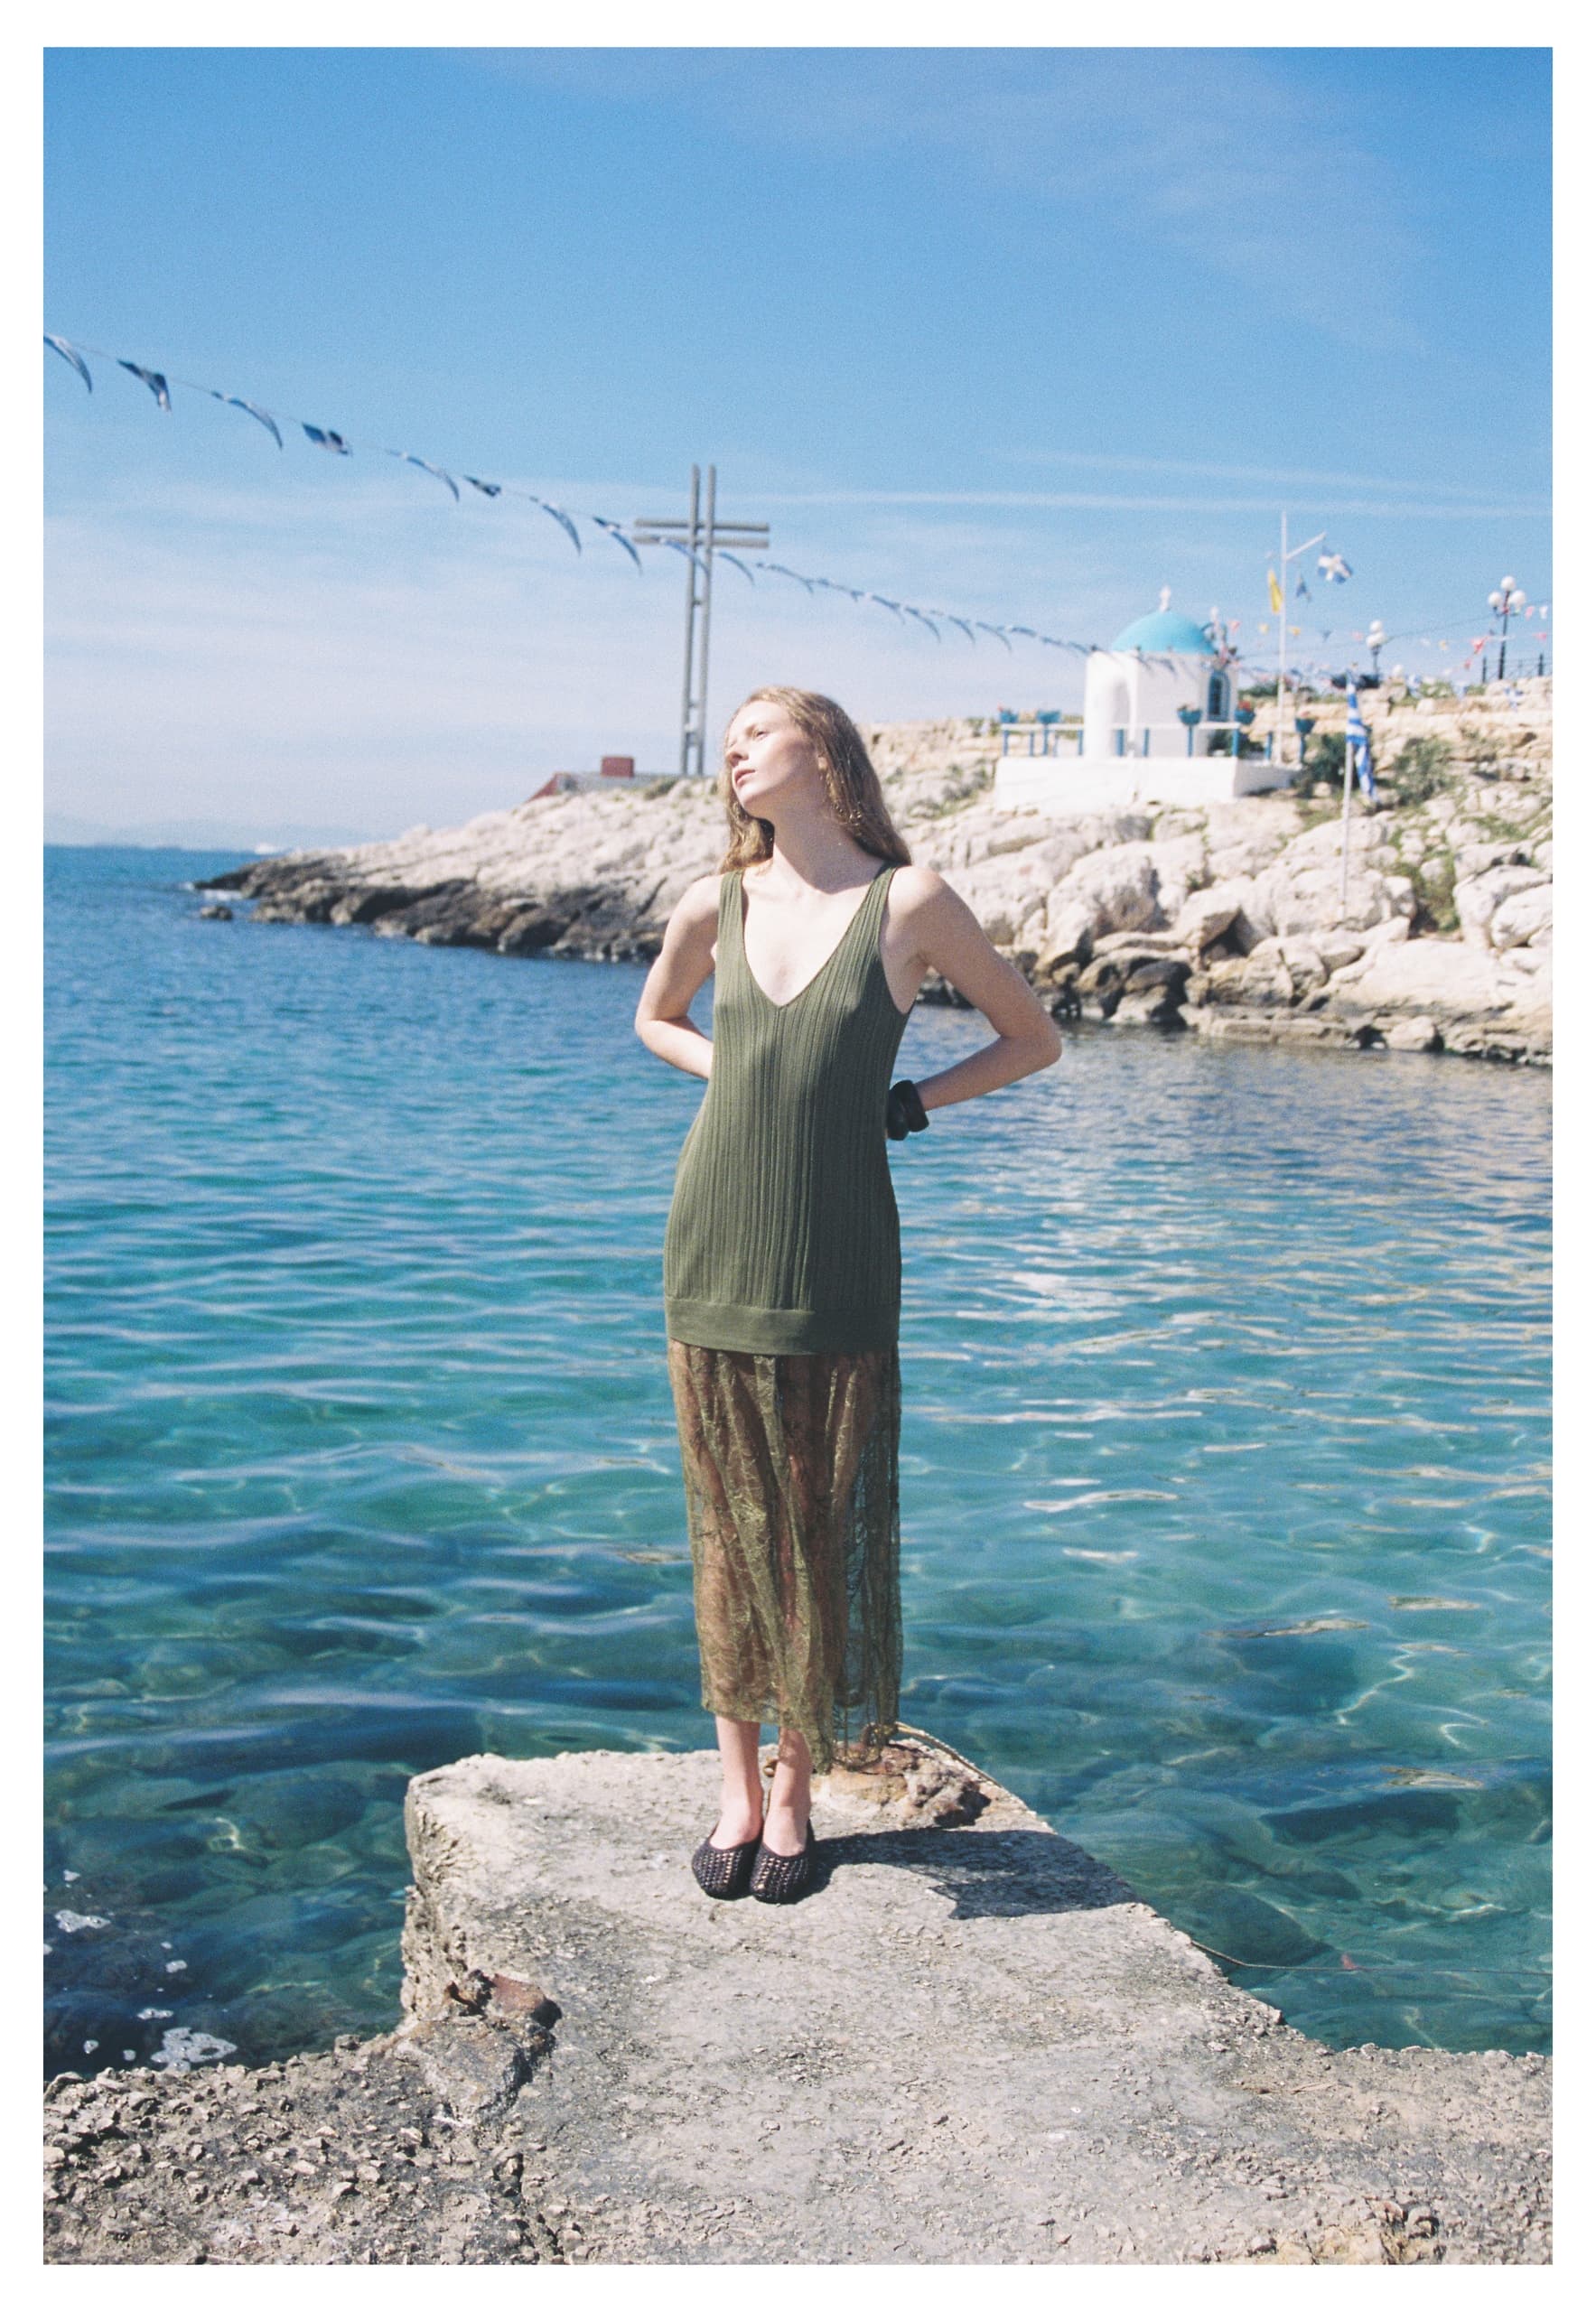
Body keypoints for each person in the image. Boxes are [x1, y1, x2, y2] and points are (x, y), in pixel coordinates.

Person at [633, 686, 1062, 1904]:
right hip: (715, 1235)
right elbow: (653, 1019)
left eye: (756, 732)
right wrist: (738, 1070)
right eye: (732, 738)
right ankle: (732, 1786)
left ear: (823, 758)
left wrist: (910, 1102)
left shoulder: (907, 901)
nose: (733, 748)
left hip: (838, 1251)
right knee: (727, 1524)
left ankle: (794, 1791)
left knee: (814, 1522)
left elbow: (1033, 1038)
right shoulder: (713, 901)